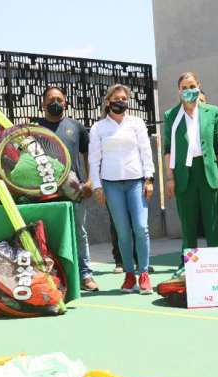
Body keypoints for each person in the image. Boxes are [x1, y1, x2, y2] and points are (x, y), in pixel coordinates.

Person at [89, 83, 155, 294]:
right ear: (108, 102)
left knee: (141, 227)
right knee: (123, 232)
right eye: (117, 99)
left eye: (124, 99)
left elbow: (146, 150)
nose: (121, 102)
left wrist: (149, 178)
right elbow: (93, 159)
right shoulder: (98, 128)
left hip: (136, 182)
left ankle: (143, 274)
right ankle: (129, 275)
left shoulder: (136, 123)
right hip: (111, 184)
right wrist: (97, 186)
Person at [33, 85, 98, 292]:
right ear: (43, 104)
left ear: (66, 102)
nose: (55, 103)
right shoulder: (36, 128)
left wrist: (88, 180)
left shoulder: (76, 127)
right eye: (51, 100)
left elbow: (89, 153)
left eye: (59, 100)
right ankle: (54, 277)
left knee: (80, 232)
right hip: (47, 190)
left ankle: (85, 274)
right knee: (50, 233)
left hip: (74, 189)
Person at [163, 72, 218, 264]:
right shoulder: (171, 115)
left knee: (213, 224)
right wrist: (170, 177)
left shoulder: (212, 111)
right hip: (184, 174)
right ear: (179, 91)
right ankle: (189, 269)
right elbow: (168, 149)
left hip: (208, 171)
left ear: (199, 86)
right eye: (184, 87)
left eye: (192, 86)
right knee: (188, 226)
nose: (189, 90)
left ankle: (217, 266)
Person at [199, 90, 218, 246]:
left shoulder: (214, 120)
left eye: (203, 100)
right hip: (195, 178)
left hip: (214, 175)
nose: (199, 103)